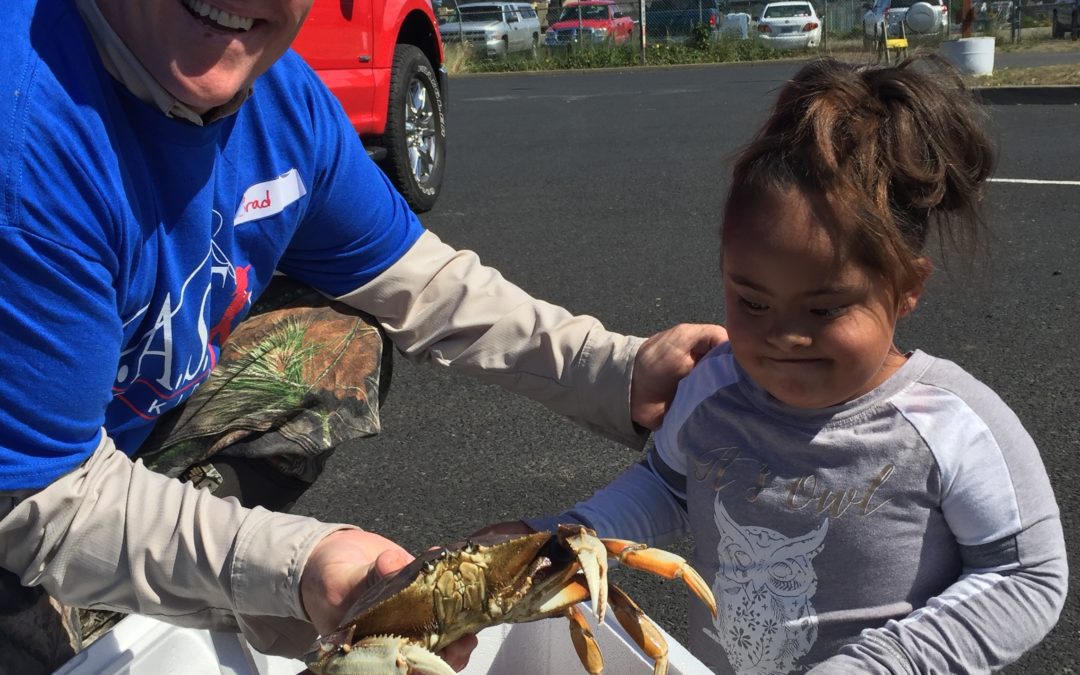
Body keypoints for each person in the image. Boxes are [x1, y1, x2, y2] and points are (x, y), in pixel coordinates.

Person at [0, 0, 728, 672]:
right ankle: (113, 583)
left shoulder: (279, 103)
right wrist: (292, 563)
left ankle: (154, 555)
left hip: (98, 432)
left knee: (336, 345)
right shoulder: (29, 133)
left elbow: (426, 286)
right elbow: (39, 495)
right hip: (30, 483)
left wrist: (618, 372)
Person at [482, 56, 1068, 673]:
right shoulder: (714, 388)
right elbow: (668, 486)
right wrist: (562, 541)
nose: (783, 336)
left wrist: (885, 663)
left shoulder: (952, 424)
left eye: (823, 310)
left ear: (906, 287)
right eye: (752, 301)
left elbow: (1027, 575)